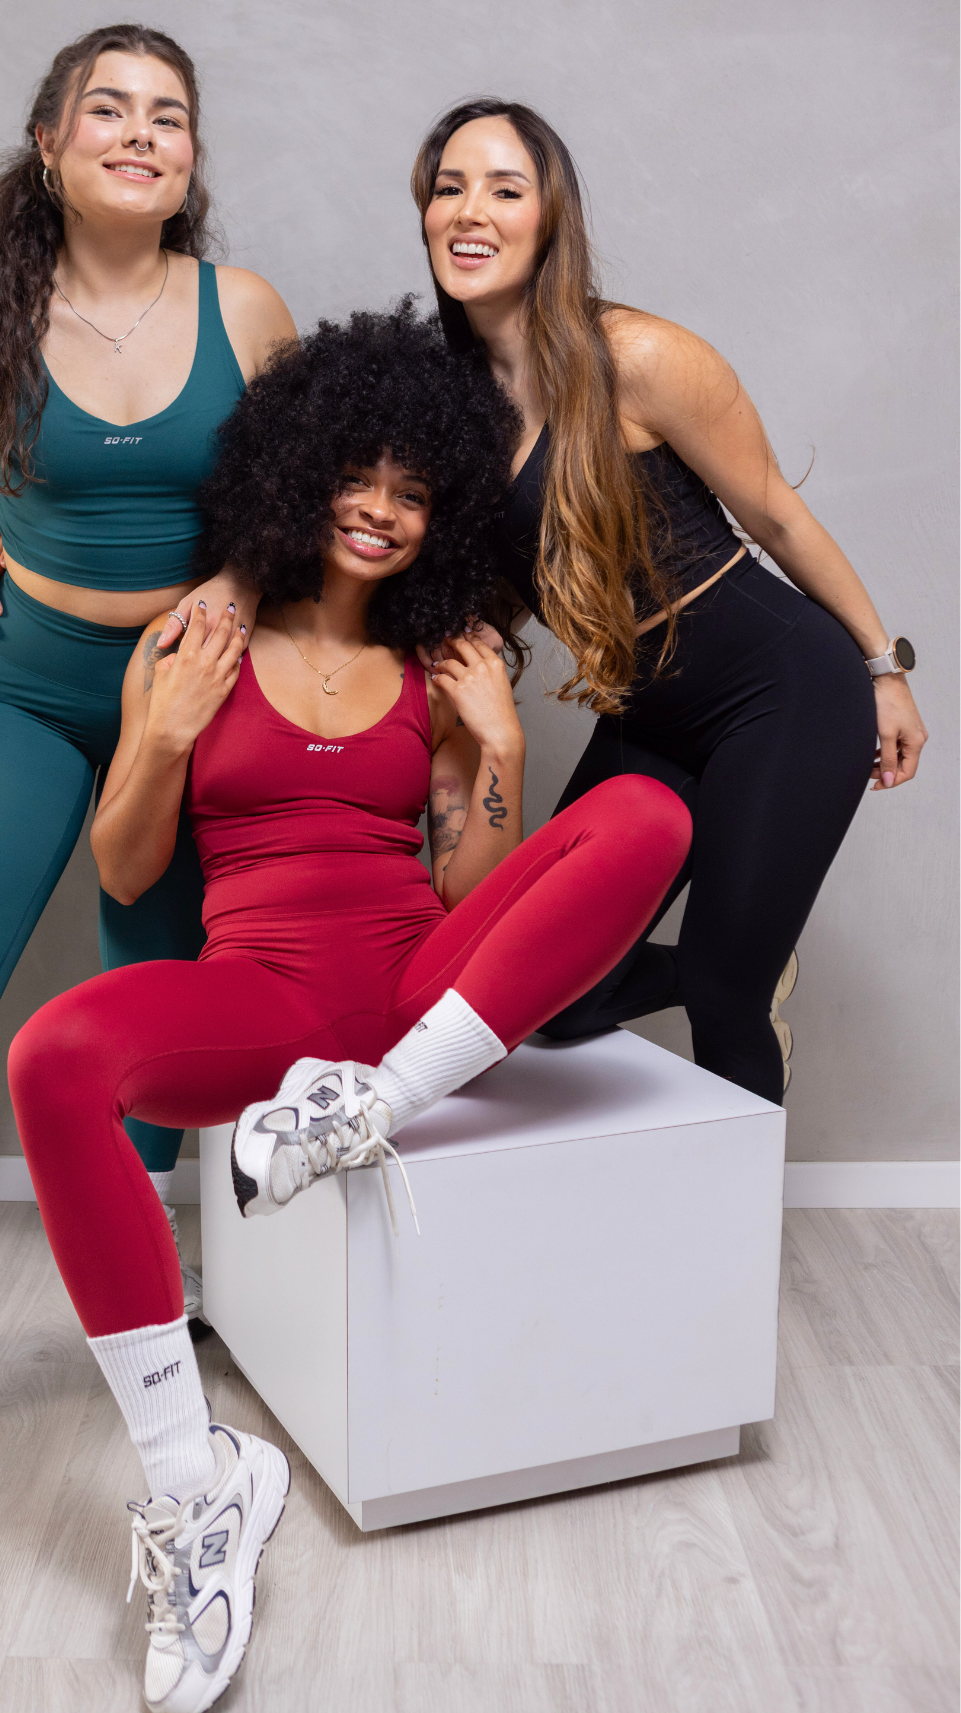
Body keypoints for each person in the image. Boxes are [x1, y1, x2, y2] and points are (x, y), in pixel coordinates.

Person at [5, 305, 692, 1713]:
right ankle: (196, 1483)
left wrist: (498, 748)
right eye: (355, 478)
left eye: (411, 492)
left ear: (439, 517)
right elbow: (126, 869)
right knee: (52, 1054)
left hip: (411, 1003)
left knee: (645, 814)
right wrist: (166, 736)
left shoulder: (440, 665)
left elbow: (472, 896)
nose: (379, 510)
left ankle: (367, 1107)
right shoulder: (193, 642)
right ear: (296, 475)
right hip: (256, 1002)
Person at [0, 22, 294, 1411]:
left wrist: (236, 582)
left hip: (189, 688)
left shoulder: (242, 310)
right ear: (51, 144)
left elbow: (292, 487)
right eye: (109, 108)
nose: (140, 132)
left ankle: (143, 1239)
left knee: (153, 986)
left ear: (189, 159)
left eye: (168, 114)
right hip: (24, 675)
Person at [397, 98, 927, 1106]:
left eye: (505, 189)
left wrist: (881, 668)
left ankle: (739, 998)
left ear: (549, 218)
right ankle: (742, 961)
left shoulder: (633, 356)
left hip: (782, 691)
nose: (471, 211)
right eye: (449, 187)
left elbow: (775, 515)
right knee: (554, 993)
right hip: (647, 713)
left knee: (725, 999)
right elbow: (522, 564)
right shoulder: (449, 403)